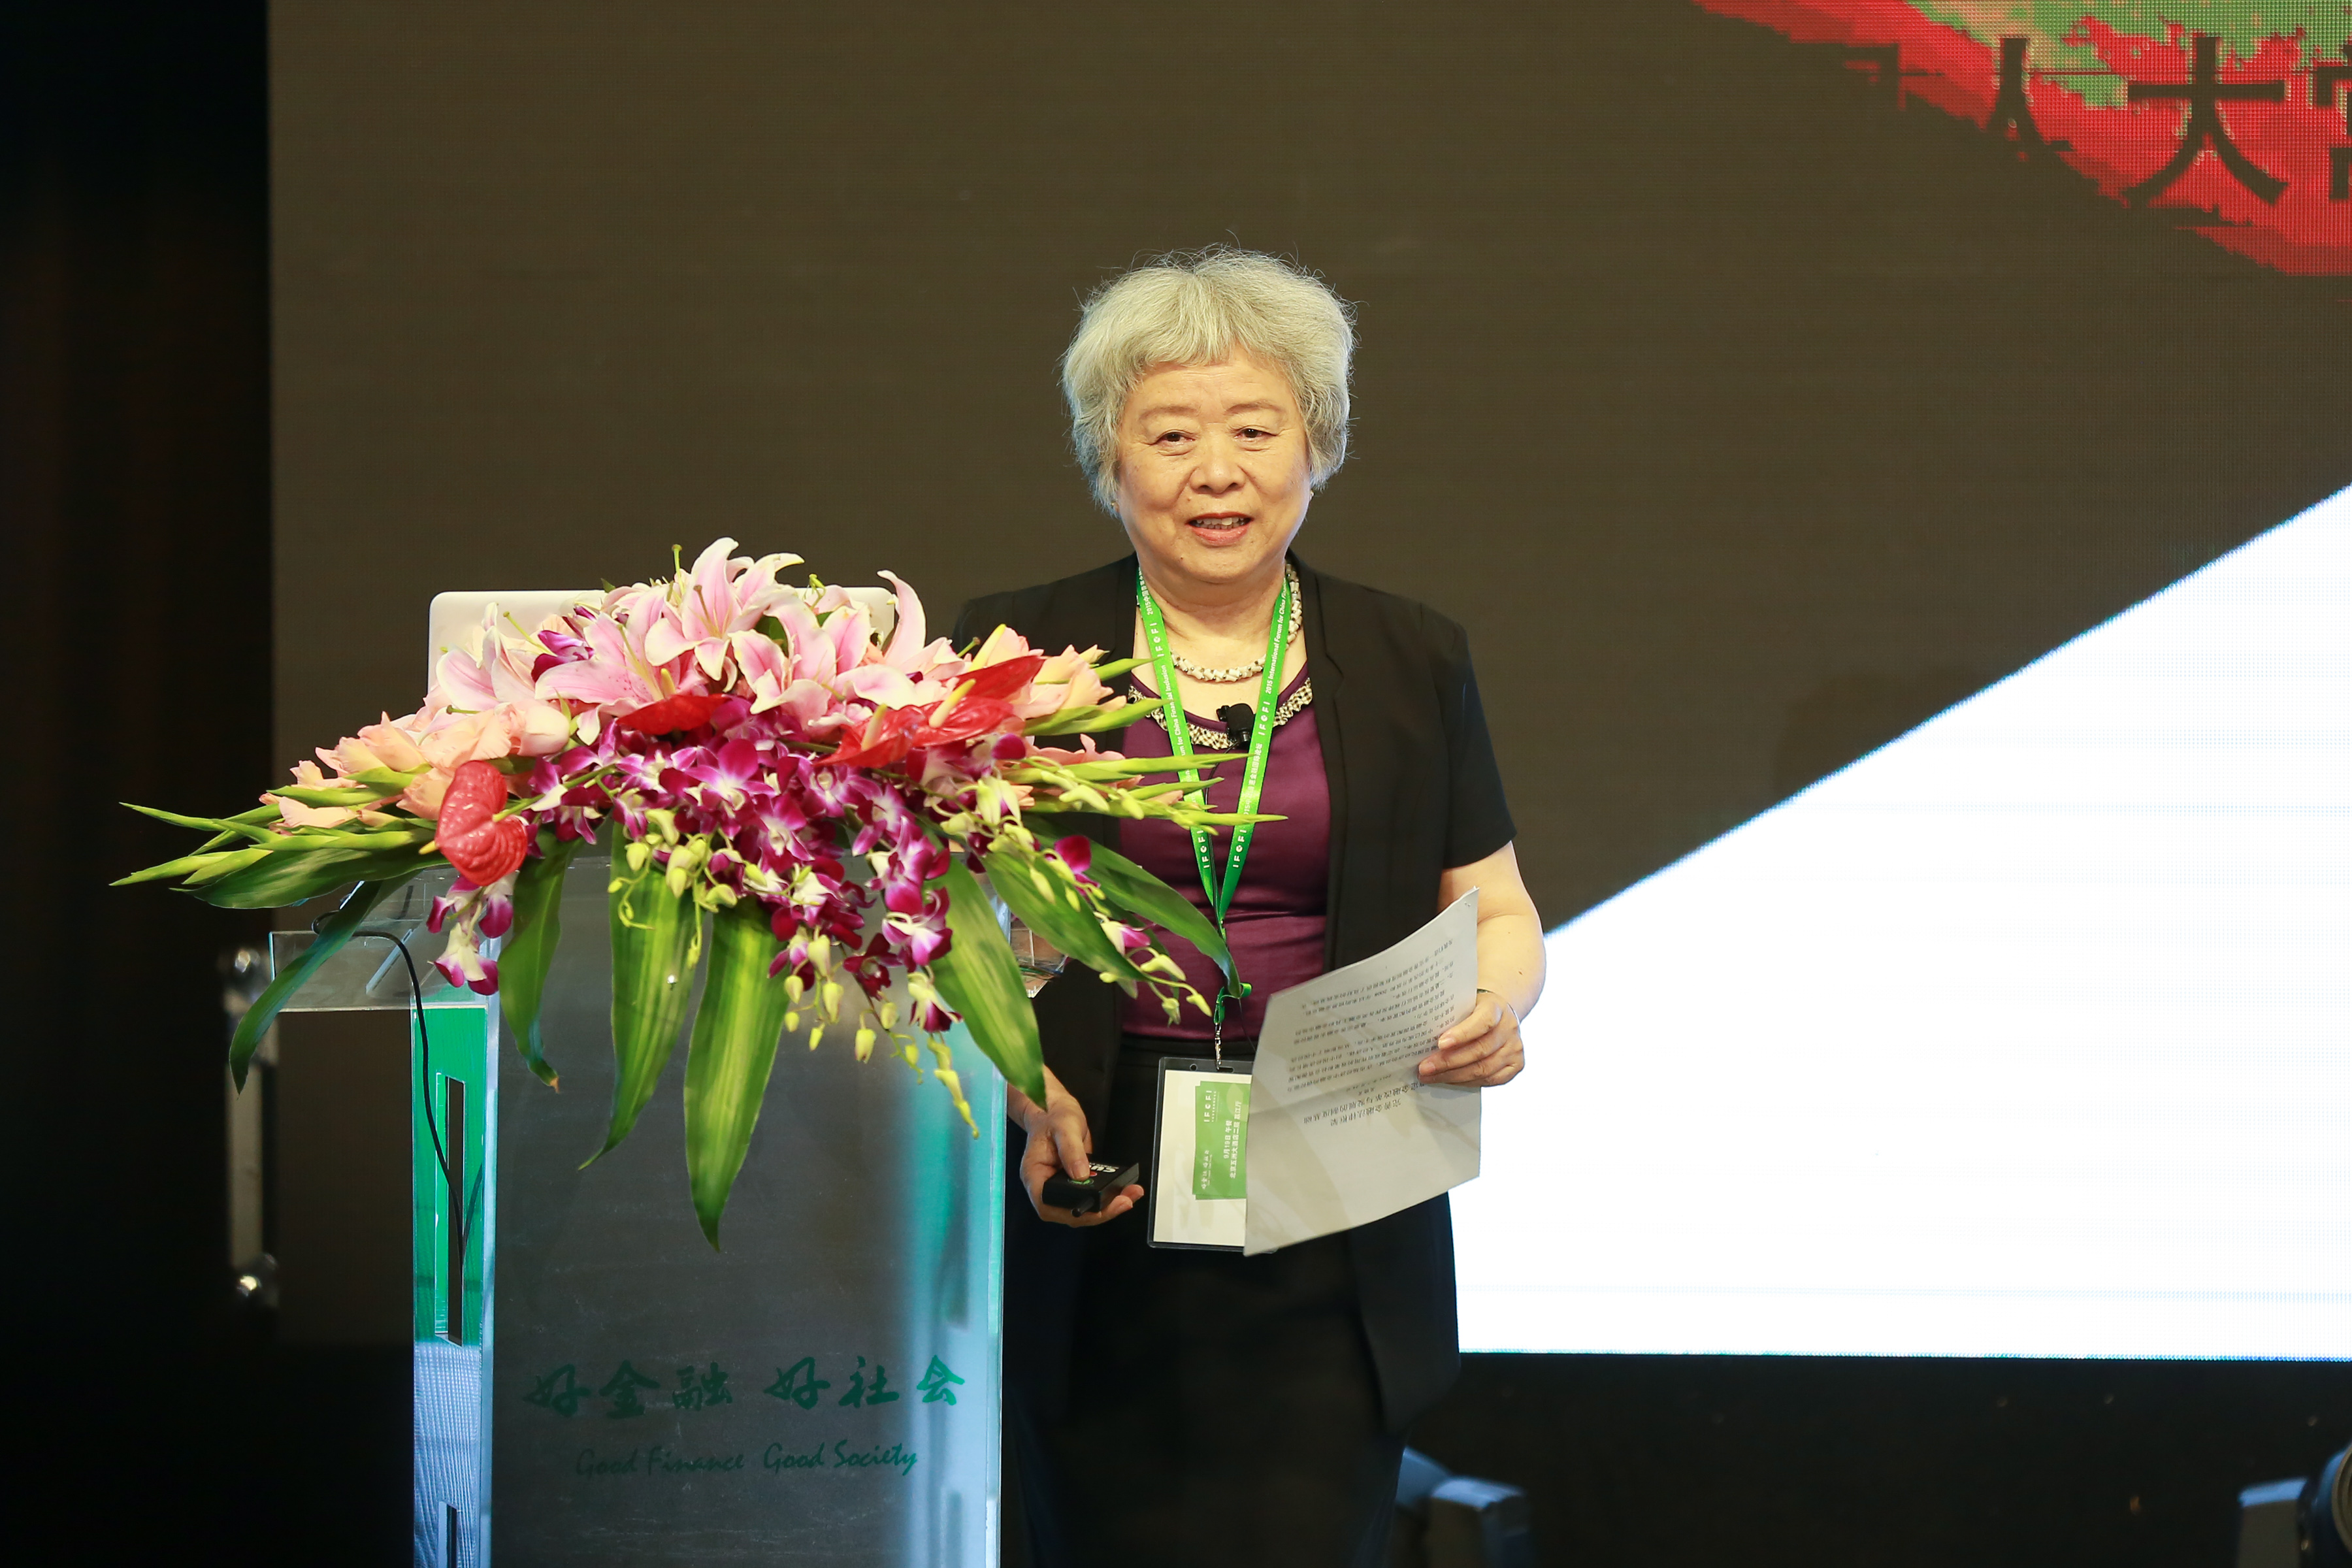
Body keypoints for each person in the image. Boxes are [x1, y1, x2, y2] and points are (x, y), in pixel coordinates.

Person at [953, 248, 1545, 1568]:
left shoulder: (1410, 655)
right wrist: (1019, 1087)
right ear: (1110, 461)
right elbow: (940, 927)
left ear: (1316, 449)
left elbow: (1498, 909)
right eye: (1170, 435)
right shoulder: (1010, 653)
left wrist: (1496, 1006)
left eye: (1255, 431)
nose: (1213, 471)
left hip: (1339, 1161)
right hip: (1089, 1162)